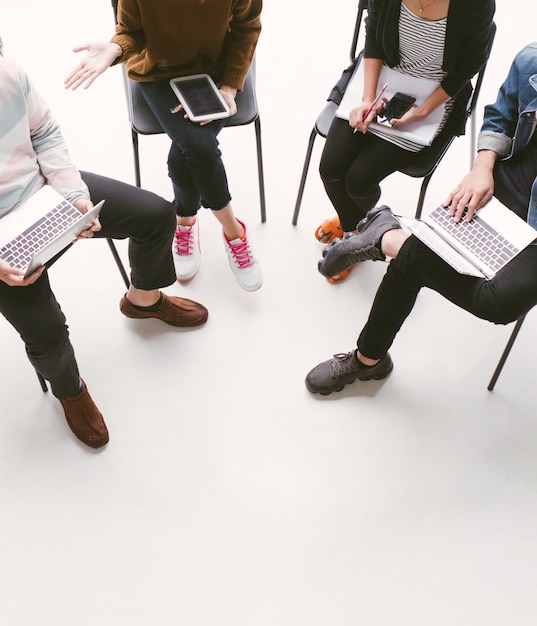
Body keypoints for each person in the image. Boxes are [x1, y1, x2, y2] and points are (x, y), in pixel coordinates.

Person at [0, 47, 209, 448]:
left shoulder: (9, 71)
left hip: (45, 193)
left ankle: (142, 300)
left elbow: (43, 133)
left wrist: (75, 196)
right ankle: (69, 389)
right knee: (47, 334)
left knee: (156, 215)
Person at [305, 41, 537, 395]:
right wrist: (482, 166)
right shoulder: (532, 59)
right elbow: (502, 116)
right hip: (501, 186)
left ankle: (388, 238)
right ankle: (369, 360)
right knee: (415, 260)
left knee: (497, 301)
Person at [64, 0, 263, 292]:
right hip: (159, 73)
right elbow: (131, 32)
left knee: (191, 149)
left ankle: (184, 221)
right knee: (197, 146)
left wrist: (230, 85)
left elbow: (247, 27)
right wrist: (115, 48)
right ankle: (233, 231)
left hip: (217, 72)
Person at [315, 0, 495, 282]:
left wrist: (423, 110)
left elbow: (470, 64)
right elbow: (374, 38)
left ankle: (354, 236)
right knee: (330, 169)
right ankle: (359, 231)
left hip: (436, 94)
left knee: (358, 180)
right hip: (380, 79)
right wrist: (367, 99)